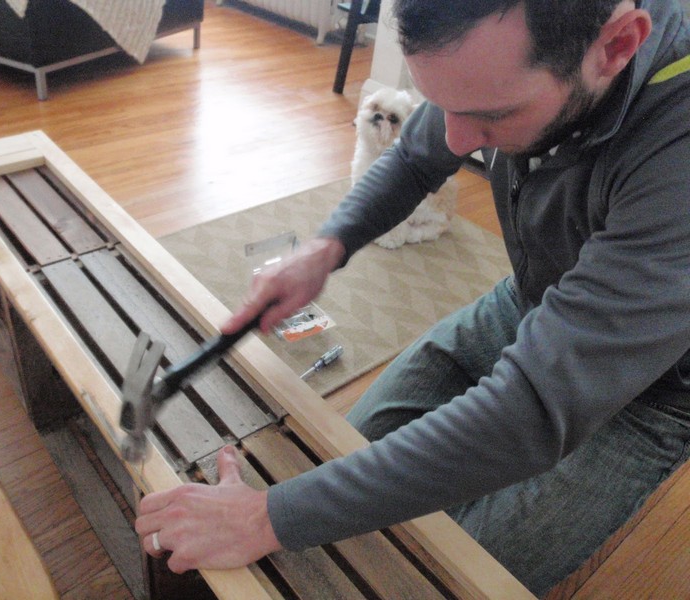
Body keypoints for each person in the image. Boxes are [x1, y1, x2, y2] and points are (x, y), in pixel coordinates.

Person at [135, 0, 690, 595]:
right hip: (532, 294)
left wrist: (266, 516)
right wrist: (325, 249)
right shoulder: (515, 63)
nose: (455, 140)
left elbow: (532, 408)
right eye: (442, 105)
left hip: (651, 393)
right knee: (339, 461)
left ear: (616, 46)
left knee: (428, 581)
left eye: (488, 116)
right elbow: (414, 157)